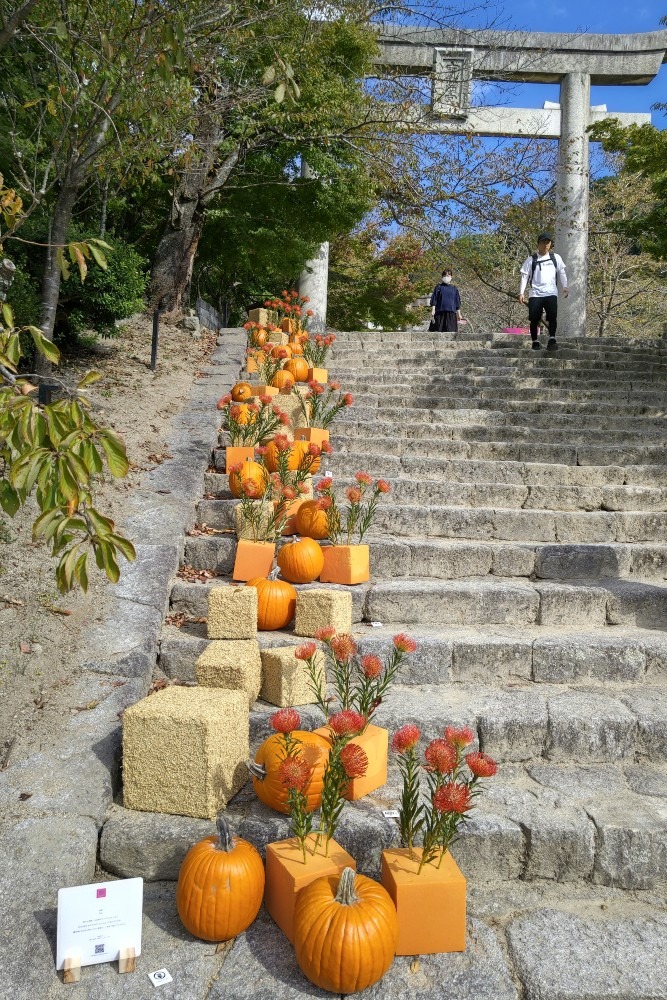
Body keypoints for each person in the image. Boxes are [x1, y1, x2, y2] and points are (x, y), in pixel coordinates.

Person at [519, 233, 568, 352]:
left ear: (550, 244)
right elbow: (524, 276)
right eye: (543, 242)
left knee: (552, 316)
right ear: (538, 244)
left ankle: (552, 339)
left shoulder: (555, 257)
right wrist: (521, 292)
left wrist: (565, 286)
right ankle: (535, 341)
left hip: (551, 292)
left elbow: (561, 272)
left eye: (548, 242)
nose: (545, 245)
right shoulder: (531, 259)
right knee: (534, 318)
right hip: (535, 293)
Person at [430, 268, 463, 333]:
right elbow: (434, 299)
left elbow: (457, 302)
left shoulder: (454, 288)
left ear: (451, 277)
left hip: (451, 313)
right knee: (437, 331)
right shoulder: (438, 287)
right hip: (440, 312)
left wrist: (459, 314)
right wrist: (433, 310)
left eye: (448, 276)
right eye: (444, 276)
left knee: (451, 332)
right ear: (442, 277)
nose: (446, 277)